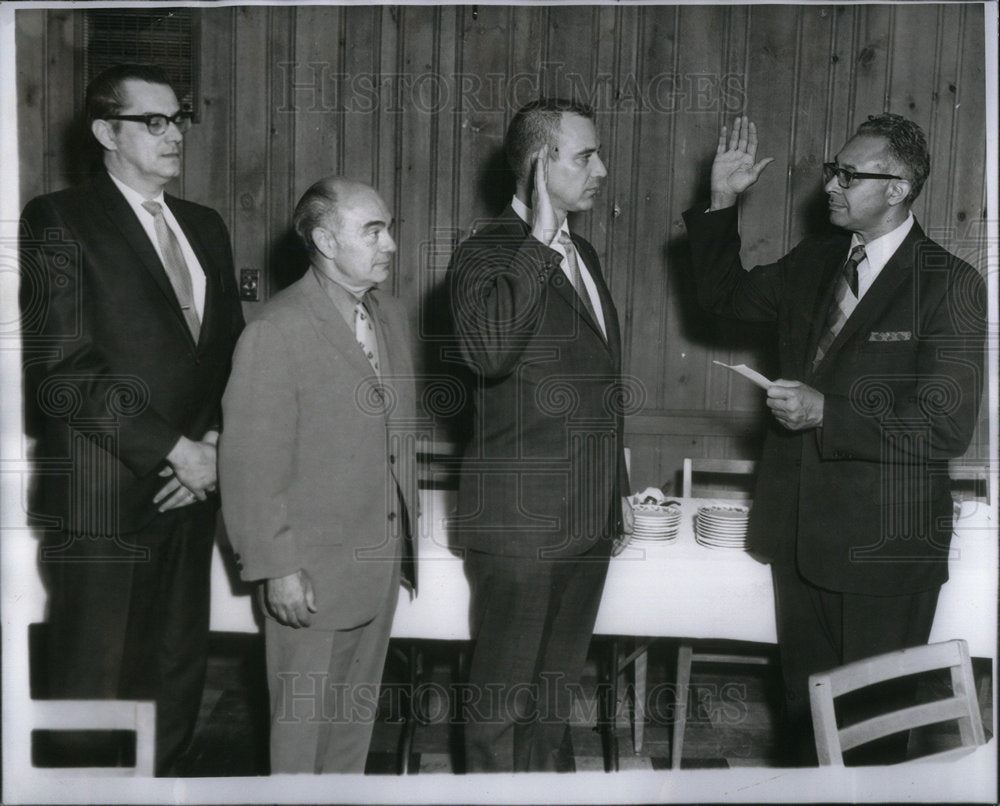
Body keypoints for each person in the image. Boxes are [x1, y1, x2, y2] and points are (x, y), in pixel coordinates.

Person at [683, 114, 986, 763]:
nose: (831, 186)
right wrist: (721, 203)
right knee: (806, 731)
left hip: (884, 556)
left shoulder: (950, 284)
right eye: (833, 171)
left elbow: (946, 423)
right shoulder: (816, 262)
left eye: (850, 175)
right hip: (800, 543)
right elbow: (720, 296)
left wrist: (830, 413)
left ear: (898, 187)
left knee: (873, 740)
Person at [19, 63, 245, 775]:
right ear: (104, 132)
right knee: (93, 692)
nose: (173, 133)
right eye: (153, 121)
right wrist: (173, 449)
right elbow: (62, 371)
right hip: (104, 500)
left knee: (176, 677)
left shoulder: (205, 226)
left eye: (178, 118)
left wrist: (211, 446)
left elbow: (229, 355)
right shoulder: (58, 219)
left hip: (190, 493)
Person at [447, 98, 633, 772]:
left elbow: (598, 386)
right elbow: (489, 351)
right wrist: (537, 245)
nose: (602, 170)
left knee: (550, 706)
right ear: (537, 164)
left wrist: (615, 495)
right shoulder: (483, 255)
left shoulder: (582, 252)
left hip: (585, 523)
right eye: (586, 156)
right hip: (522, 531)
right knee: (499, 712)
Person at [219, 177, 418, 774]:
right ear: (326, 241)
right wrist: (277, 568)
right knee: (301, 743)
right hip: (309, 578)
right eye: (372, 230)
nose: (389, 244)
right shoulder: (276, 331)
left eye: (389, 228)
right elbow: (250, 464)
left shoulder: (389, 317)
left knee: (350, 738)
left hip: (375, 569)